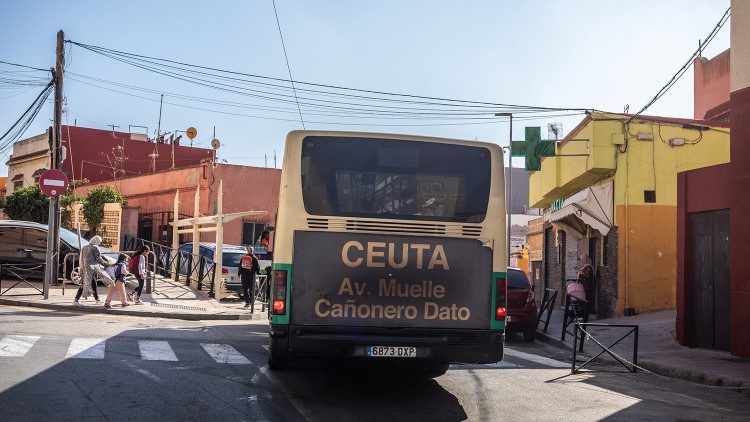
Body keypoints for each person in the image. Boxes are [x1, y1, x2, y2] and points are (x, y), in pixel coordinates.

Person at [74, 235, 109, 305]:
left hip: (84, 268)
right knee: (89, 284)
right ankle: (77, 299)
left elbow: (81, 259)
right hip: (91, 269)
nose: (99, 243)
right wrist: (107, 264)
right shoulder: (95, 248)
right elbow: (99, 259)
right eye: (99, 242)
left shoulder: (84, 247)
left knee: (88, 283)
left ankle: (78, 299)